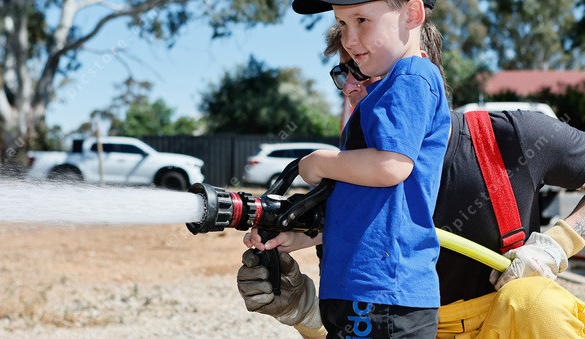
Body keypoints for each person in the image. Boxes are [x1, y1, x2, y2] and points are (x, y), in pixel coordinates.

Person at [238, 25, 585, 337]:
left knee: (533, 303)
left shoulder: (511, 138)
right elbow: (358, 325)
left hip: (505, 322)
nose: (350, 89)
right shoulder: (346, 192)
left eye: (363, 71)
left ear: (418, 72)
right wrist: (304, 312)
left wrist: (557, 244)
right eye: (344, 73)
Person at [251, 0, 452, 338]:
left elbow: (391, 167)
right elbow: (368, 206)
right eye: (343, 24)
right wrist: (302, 236)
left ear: (412, 15)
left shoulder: (412, 76)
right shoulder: (382, 96)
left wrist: (320, 161)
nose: (349, 39)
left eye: (362, 20)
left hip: (383, 294)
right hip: (360, 290)